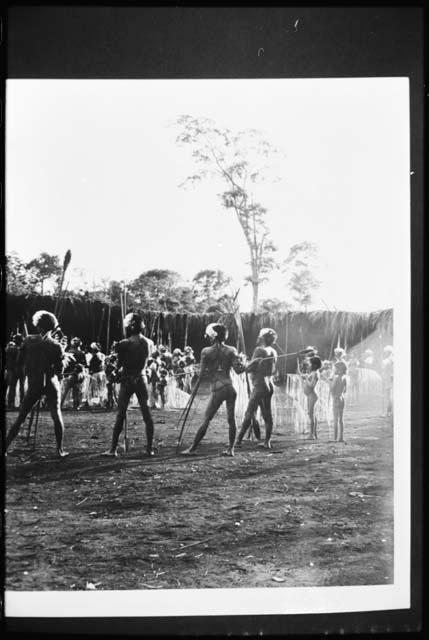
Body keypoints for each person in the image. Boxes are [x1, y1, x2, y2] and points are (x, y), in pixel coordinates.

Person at [5, 311, 69, 457]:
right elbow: (60, 370)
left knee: (21, 416)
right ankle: (59, 450)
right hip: (51, 383)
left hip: (35, 382)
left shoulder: (28, 341)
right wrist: (62, 354)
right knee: (56, 414)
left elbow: (19, 360)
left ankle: (5, 447)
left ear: (38, 325)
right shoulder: (56, 345)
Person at [180, 323, 245, 457]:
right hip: (230, 387)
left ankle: (192, 448)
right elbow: (239, 370)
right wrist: (245, 363)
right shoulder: (231, 350)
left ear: (212, 336)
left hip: (218, 388)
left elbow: (201, 374)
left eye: (209, 336)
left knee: (206, 419)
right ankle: (230, 450)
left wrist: (196, 385)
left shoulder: (206, 351)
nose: (208, 339)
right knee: (231, 419)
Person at [102, 312, 154, 457]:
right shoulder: (149, 342)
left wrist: (112, 372)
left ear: (130, 327)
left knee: (121, 414)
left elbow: (117, 364)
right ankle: (149, 448)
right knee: (146, 413)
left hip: (127, 380)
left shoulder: (124, 343)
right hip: (142, 378)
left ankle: (113, 449)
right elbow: (147, 360)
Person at [236, 328, 278, 449]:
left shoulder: (259, 350)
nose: (258, 338)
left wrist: (242, 362)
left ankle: (238, 440)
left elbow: (249, 368)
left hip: (259, 385)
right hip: (269, 384)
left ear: (263, 338)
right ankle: (267, 441)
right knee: (267, 414)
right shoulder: (273, 351)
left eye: (260, 336)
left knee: (249, 412)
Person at [61, 337, 87, 410]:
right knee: (77, 390)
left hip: (71, 374)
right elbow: (85, 364)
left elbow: (66, 364)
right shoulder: (82, 353)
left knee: (65, 391)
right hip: (80, 374)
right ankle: (76, 406)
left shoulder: (69, 352)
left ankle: (60, 405)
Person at [301, 355, 322, 440]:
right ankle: (314, 433)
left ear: (314, 365)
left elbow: (312, 385)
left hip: (312, 395)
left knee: (311, 414)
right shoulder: (312, 373)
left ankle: (311, 435)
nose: (308, 365)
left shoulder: (315, 374)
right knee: (311, 414)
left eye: (310, 363)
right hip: (309, 395)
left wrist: (306, 378)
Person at [329, 360, 347, 441]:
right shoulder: (344, 378)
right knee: (341, 419)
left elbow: (332, 389)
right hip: (342, 399)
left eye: (335, 369)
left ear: (339, 370)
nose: (334, 370)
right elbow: (345, 390)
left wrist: (330, 382)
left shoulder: (336, 378)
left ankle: (335, 438)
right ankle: (341, 437)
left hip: (336, 399)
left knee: (335, 419)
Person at [381, 345, 394, 417]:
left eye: (386, 352)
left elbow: (384, 371)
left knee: (388, 396)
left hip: (388, 379)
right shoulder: (393, 360)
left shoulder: (386, 361)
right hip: (390, 378)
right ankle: (389, 411)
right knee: (390, 396)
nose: (385, 353)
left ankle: (387, 412)